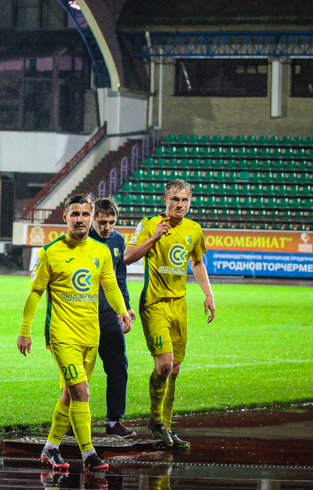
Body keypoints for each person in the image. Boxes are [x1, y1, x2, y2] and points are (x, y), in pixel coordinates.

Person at [18, 194, 131, 473]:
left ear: (91, 216)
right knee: (81, 391)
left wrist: (122, 311)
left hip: (91, 333)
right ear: (65, 217)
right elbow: (35, 293)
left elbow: (110, 285)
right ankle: (89, 454)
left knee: (70, 394)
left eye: (85, 214)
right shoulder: (49, 252)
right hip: (62, 334)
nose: (80, 219)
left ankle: (50, 448)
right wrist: (25, 330)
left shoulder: (101, 251)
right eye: (75, 214)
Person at [124, 179, 216, 449]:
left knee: (174, 369)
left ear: (190, 202)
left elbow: (197, 262)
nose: (180, 204)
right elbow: (127, 256)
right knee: (164, 365)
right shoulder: (149, 223)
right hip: (154, 303)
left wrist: (208, 294)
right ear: (165, 200)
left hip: (179, 305)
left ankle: (166, 425)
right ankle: (155, 420)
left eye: (185, 200)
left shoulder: (194, 229)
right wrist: (154, 238)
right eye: (175, 199)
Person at [88, 197, 137, 438]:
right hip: (84, 314)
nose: (107, 227)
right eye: (102, 222)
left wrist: (126, 307)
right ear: (93, 218)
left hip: (109, 313)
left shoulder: (118, 241)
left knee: (118, 365)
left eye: (111, 222)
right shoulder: (82, 239)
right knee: (79, 371)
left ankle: (114, 421)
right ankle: (71, 422)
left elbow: (120, 278)